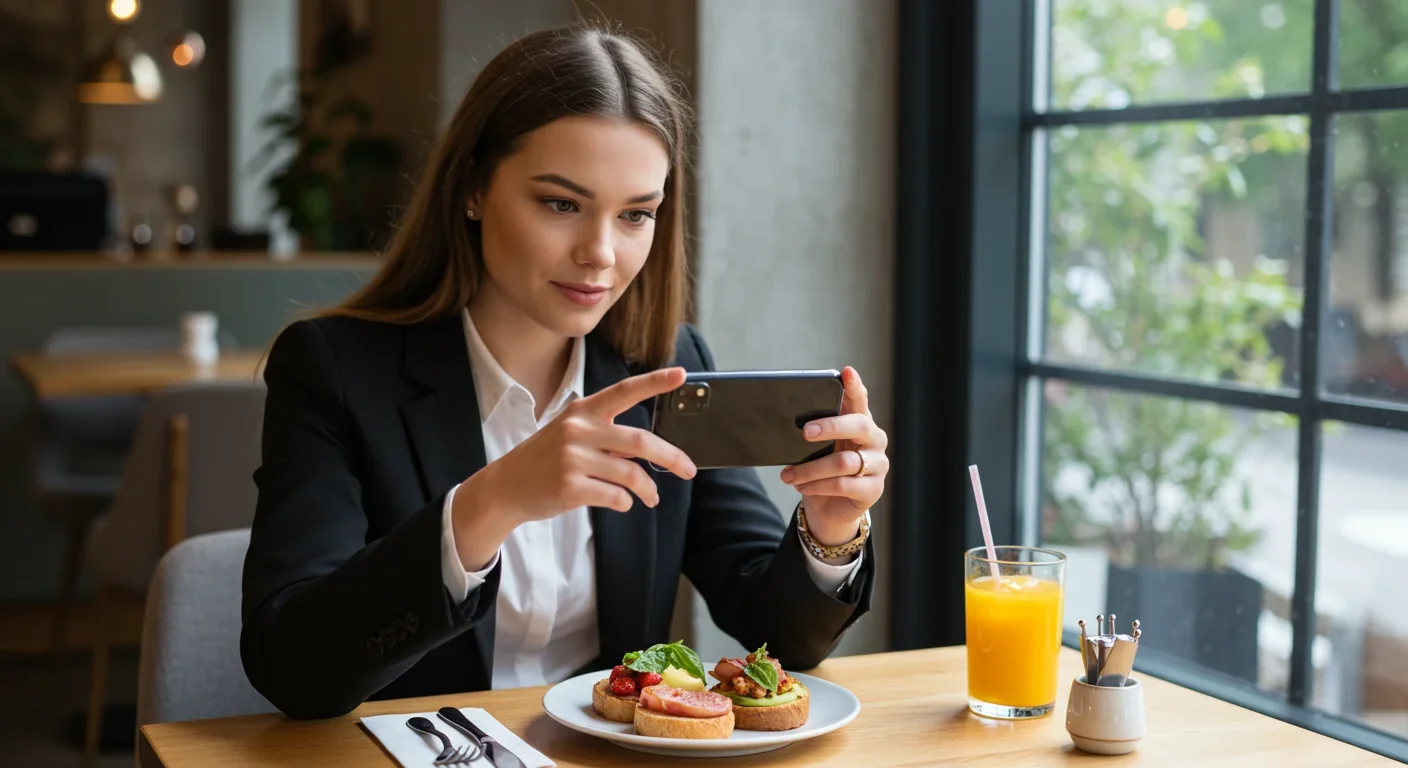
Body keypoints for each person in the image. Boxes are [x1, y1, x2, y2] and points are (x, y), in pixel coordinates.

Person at [240, 24, 888, 720]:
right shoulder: (334, 370)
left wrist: (829, 529)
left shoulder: (667, 370)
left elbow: (780, 636)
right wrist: (490, 504)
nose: (601, 254)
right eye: (561, 204)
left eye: (636, 214)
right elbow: (292, 667)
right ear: (472, 189)